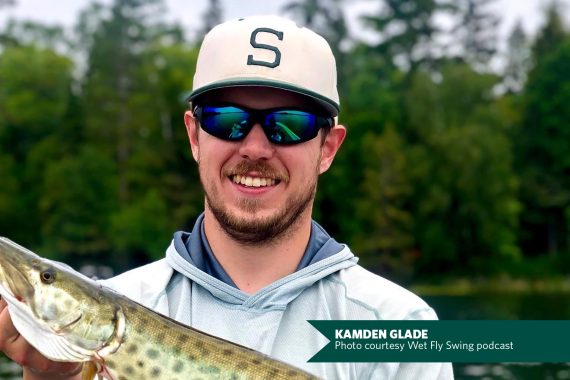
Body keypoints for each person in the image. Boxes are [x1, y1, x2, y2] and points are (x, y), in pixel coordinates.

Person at [0, 15, 453, 379]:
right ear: (195, 135)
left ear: (327, 149)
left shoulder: (401, 326)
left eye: (288, 124)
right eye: (226, 120)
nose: (255, 148)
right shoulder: (122, 301)